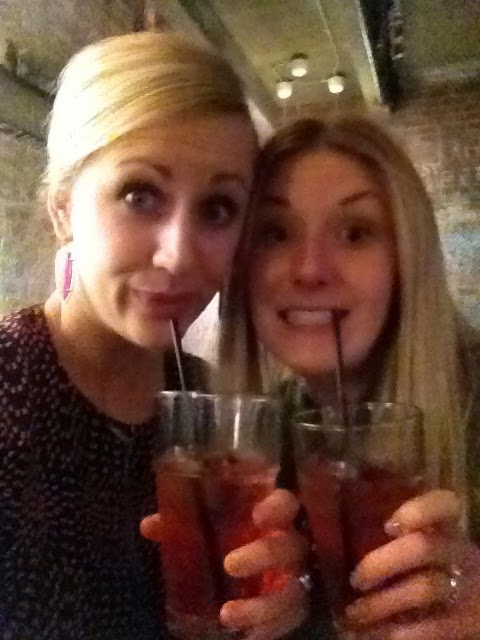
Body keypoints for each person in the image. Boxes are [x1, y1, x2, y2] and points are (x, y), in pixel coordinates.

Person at [0, 31, 308, 640]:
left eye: (217, 208)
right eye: (139, 195)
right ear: (63, 208)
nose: (179, 255)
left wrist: (284, 596)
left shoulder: (209, 406)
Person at [219, 115, 480, 639]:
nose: (310, 269)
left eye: (355, 233)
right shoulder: (267, 445)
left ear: (405, 260)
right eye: (275, 233)